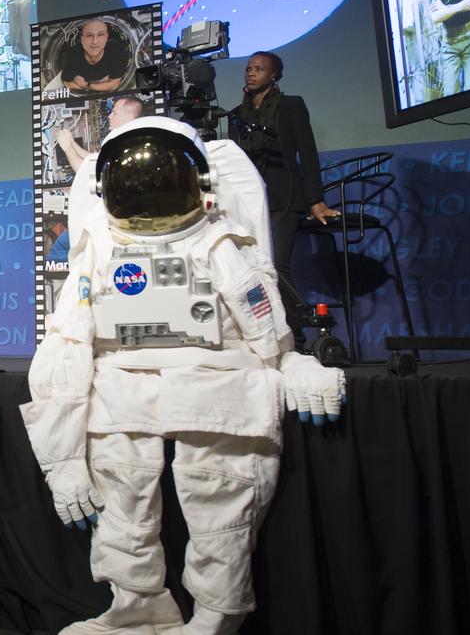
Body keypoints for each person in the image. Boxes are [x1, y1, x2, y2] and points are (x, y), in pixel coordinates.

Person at [22, 117, 346, 635]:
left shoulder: (218, 242)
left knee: (218, 487)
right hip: (124, 378)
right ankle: (135, 603)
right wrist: (62, 461)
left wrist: (293, 365)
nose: (149, 196)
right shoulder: (101, 246)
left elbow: (264, 325)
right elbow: (67, 345)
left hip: (214, 377)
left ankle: (217, 614)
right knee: (120, 484)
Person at [230, 51, 338, 346]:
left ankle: (296, 336)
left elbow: (308, 152)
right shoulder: (236, 116)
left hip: (284, 195)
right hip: (249, 200)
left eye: (259, 69)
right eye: (249, 68)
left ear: (273, 75)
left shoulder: (291, 106)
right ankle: (263, 335)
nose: (251, 73)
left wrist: (315, 199)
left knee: (277, 266)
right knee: (249, 268)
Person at [53, 96, 144, 169]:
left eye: (115, 113)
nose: (109, 116)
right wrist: (72, 142)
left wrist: (68, 148)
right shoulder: (124, 141)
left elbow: (86, 173)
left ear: (128, 117)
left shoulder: (129, 149)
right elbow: (95, 159)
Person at [60, 19, 129, 94]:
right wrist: (103, 83)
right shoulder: (72, 54)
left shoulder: (116, 52)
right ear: (82, 39)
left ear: (106, 38)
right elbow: (68, 83)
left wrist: (88, 85)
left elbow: (115, 84)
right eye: (89, 35)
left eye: (100, 35)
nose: (95, 41)